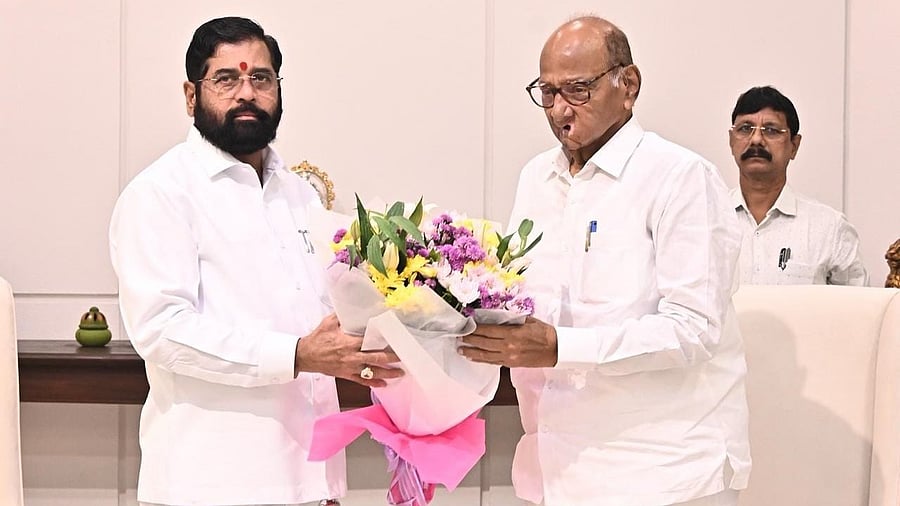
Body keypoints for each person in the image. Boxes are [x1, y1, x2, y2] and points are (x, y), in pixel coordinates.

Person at [108, 17, 401, 506]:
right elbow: (162, 330)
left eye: (260, 79)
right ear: (190, 94)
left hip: (312, 479)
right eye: (227, 79)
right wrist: (296, 355)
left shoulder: (300, 195)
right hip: (213, 483)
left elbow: (329, 320)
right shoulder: (161, 194)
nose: (247, 92)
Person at [459, 16, 750, 506]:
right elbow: (526, 300)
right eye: (546, 92)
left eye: (576, 90)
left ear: (628, 85)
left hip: (660, 472)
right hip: (554, 466)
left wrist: (560, 346)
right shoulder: (536, 178)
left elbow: (693, 329)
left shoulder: (679, 177)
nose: (557, 109)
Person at [728, 85, 868, 286]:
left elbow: (860, 310)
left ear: (794, 145)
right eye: (745, 129)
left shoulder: (830, 229)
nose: (756, 139)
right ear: (731, 140)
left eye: (771, 130)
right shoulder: (706, 221)